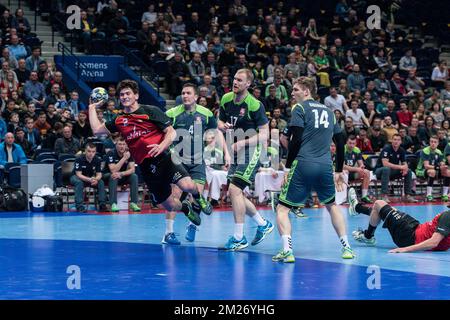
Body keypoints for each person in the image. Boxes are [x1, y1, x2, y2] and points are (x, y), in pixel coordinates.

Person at [88, 80, 211, 227]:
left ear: (136, 95)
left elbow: (171, 132)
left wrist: (161, 146)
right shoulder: (119, 120)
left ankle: (199, 198)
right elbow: (96, 130)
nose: (125, 97)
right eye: (122, 95)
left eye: (128, 93)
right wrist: (91, 108)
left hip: (165, 158)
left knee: (188, 185)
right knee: (170, 205)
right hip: (147, 168)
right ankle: (186, 208)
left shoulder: (150, 111)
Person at [274, 76, 355, 263]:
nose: (292, 93)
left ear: (306, 91)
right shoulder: (329, 111)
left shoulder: (300, 108)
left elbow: (296, 140)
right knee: (332, 205)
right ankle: (347, 248)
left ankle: (287, 251)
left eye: (295, 89)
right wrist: (338, 170)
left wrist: (287, 168)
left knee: (282, 208)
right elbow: (341, 142)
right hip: (325, 165)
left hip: (303, 164)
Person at [164, 83, 230, 244]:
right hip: (178, 161)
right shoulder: (172, 113)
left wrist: (226, 153)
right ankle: (168, 233)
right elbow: (162, 132)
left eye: (188, 93)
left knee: (198, 195)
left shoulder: (206, 114)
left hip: (198, 161)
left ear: (195, 97)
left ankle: (192, 225)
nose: (185, 96)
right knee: (175, 195)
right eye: (183, 93)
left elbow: (216, 132)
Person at [218, 69, 273, 251]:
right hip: (235, 150)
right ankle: (262, 223)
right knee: (237, 193)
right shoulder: (226, 99)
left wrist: (243, 143)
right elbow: (219, 124)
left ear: (248, 84)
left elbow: (265, 134)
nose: (235, 82)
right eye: (234, 78)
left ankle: (239, 237)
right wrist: (223, 128)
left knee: (234, 190)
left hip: (252, 149)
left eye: (239, 80)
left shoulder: (254, 105)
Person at [348, 189, 450, 252]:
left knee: (379, 203)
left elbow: (434, 242)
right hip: (415, 227)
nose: (448, 195)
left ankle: (367, 236)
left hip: (409, 236)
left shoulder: (447, 216)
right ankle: (357, 209)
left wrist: (405, 249)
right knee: (387, 209)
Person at [103, 137, 141, 213]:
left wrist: (121, 174)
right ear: (116, 145)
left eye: (123, 144)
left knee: (134, 176)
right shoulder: (111, 153)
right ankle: (113, 203)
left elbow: (132, 169)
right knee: (113, 176)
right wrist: (124, 158)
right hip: (107, 176)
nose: (122, 146)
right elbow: (113, 170)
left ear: (126, 145)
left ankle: (134, 203)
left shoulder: (129, 153)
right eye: (120, 144)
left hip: (121, 175)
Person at [70, 143, 107, 213]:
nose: (91, 153)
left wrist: (96, 179)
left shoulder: (97, 160)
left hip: (90, 178)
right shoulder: (79, 159)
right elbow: (78, 174)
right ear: (85, 151)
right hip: (76, 177)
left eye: (93, 152)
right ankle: (79, 206)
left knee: (101, 182)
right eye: (89, 151)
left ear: (95, 152)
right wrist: (90, 179)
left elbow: (99, 174)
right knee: (79, 182)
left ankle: (102, 205)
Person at [415, 136, 447, 202]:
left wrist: (444, 166)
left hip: (435, 170)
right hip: (421, 170)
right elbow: (426, 166)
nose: (433, 143)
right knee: (432, 171)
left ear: (438, 143)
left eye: (435, 142)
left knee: (447, 172)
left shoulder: (439, 152)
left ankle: (445, 195)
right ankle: (429, 195)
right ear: (429, 142)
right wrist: (438, 167)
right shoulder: (425, 151)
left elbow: (442, 163)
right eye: (431, 142)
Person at [344, 135, 372, 203]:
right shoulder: (342, 149)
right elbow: (342, 166)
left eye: (353, 143)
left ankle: (364, 196)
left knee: (366, 172)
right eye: (350, 143)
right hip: (343, 173)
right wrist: (357, 169)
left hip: (352, 172)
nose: (351, 145)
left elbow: (360, 163)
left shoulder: (357, 150)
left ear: (356, 143)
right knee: (345, 171)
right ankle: (343, 198)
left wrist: (362, 166)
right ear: (346, 142)